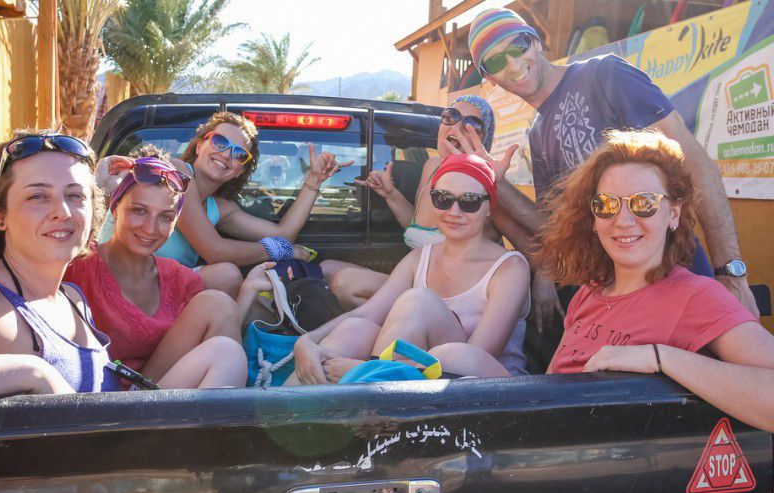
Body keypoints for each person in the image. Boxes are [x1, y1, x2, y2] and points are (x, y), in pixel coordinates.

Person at [463, 7, 759, 337]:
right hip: (617, 306)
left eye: (518, 45)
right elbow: (554, 227)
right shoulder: (538, 132)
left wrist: (730, 273)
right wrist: (496, 183)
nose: (514, 64)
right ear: (490, 78)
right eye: (496, 61)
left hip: (679, 284)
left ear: (536, 42)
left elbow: (695, 164)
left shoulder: (605, 75)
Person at [0, 131, 245, 396]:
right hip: (106, 423)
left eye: (76, 196)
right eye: (37, 196)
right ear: (0, 215)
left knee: (226, 352)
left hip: (124, 417)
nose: (63, 212)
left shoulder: (72, 298)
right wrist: (34, 373)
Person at [539, 130, 774, 433]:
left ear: (673, 214)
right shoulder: (588, 293)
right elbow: (546, 392)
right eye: (607, 204)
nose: (623, 220)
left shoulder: (697, 297)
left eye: (644, 203)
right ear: (594, 219)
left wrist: (661, 358)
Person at [292, 154, 531, 385]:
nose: (454, 211)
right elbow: (366, 313)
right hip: (414, 383)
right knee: (354, 329)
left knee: (420, 303)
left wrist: (363, 369)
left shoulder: (509, 268)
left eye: (469, 201)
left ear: (489, 208)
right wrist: (308, 341)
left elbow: (473, 356)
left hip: (489, 390)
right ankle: (285, 407)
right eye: (443, 198)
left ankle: (369, 392)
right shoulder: (419, 258)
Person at [97, 111, 352, 296]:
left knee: (253, 296)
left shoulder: (219, 208)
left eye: (240, 155)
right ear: (200, 145)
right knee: (226, 275)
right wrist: (280, 250)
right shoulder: (174, 173)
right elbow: (214, 250)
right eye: (219, 142)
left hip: (161, 287)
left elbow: (283, 234)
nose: (227, 155)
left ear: (240, 171)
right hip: (116, 276)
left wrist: (314, 179)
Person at [64, 148, 246, 385]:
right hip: (97, 397)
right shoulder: (78, 264)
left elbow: (219, 337)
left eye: (165, 217)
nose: (150, 228)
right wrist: (89, 188)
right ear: (115, 209)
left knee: (219, 305)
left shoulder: (180, 278)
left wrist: (251, 290)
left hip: (152, 393)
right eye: (139, 211)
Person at [322, 95, 499, 309]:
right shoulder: (431, 166)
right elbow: (417, 226)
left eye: (473, 124)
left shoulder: (486, 186)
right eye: (450, 116)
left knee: (345, 283)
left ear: (484, 140)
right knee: (326, 268)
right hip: (415, 283)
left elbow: (525, 243)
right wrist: (390, 194)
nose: (458, 127)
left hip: (447, 300)